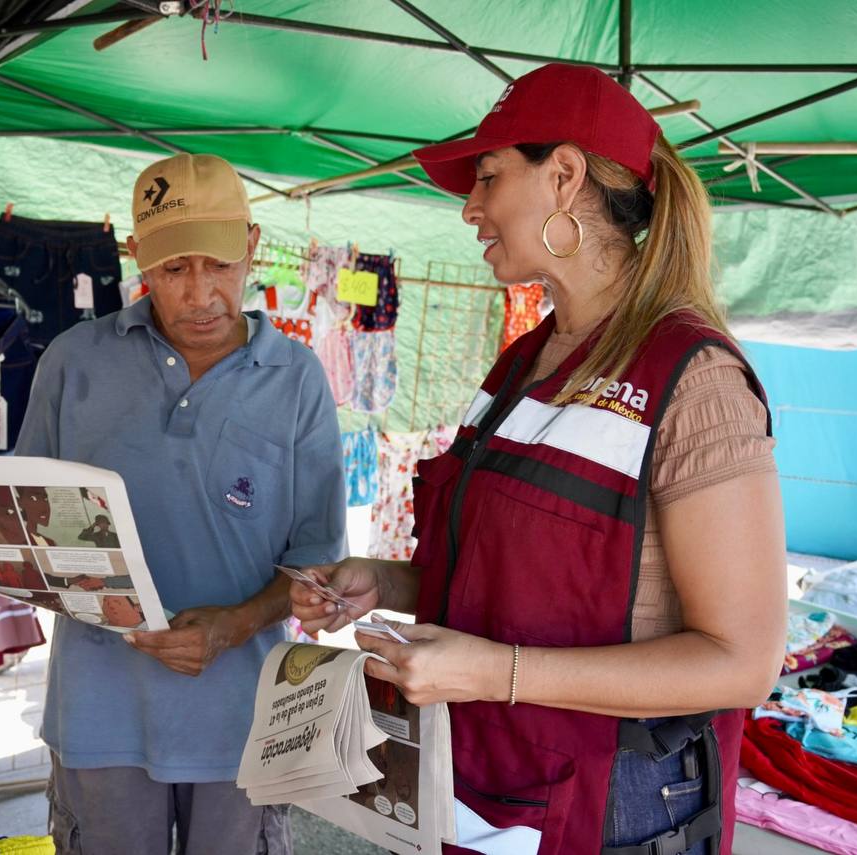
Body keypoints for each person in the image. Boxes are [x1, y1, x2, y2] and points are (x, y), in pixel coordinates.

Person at [293, 64, 786, 855]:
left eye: (487, 177)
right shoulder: (521, 364)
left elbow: (743, 662)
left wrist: (495, 673)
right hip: (481, 781)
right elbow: (519, 584)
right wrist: (385, 582)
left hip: (607, 805)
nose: (469, 208)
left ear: (564, 176)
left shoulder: (695, 380)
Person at [0, 152, 345, 854]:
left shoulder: (296, 377)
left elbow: (315, 558)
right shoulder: (74, 360)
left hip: (243, 717)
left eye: (220, 265)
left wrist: (234, 626)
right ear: (137, 256)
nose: (201, 293)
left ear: (253, 246)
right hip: (99, 715)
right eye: (174, 270)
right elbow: (21, 520)